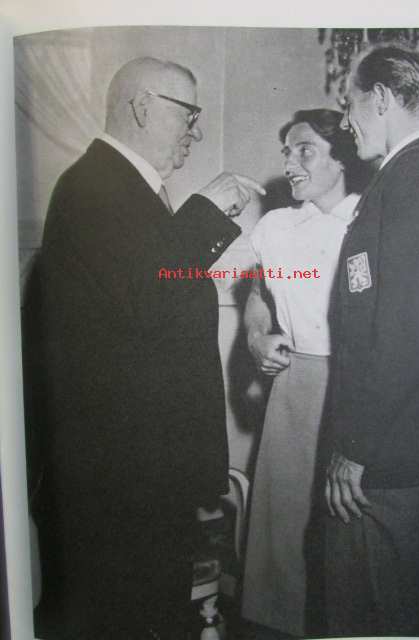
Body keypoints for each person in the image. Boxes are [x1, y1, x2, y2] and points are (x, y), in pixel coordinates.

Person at [24, 56, 264, 640]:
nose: (196, 133)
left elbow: (151, 295)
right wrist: (206, 210)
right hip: (115, 478)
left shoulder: (126, 187)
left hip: (138, 470)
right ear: (142, 106)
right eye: (189, 115)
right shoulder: (94, 185)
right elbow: (149, 295)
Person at [309, 45, 419, 637]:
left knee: (374, 619)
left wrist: (355, 447)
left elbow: (410, 331)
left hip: (391, 466)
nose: (345, 121)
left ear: (380, 98)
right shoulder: (411, 176)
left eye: (349, 104)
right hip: (396, 458)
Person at [241, 109, 369, 637]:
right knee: (283, 534)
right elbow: (257, 292)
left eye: (305, 150)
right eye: (287, 152)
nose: (290, 163)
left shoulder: (369, 222)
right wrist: (257, 336)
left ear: (341, 160)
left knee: (343, 536)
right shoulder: (277, 226)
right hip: (293, 387)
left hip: (354, 388)